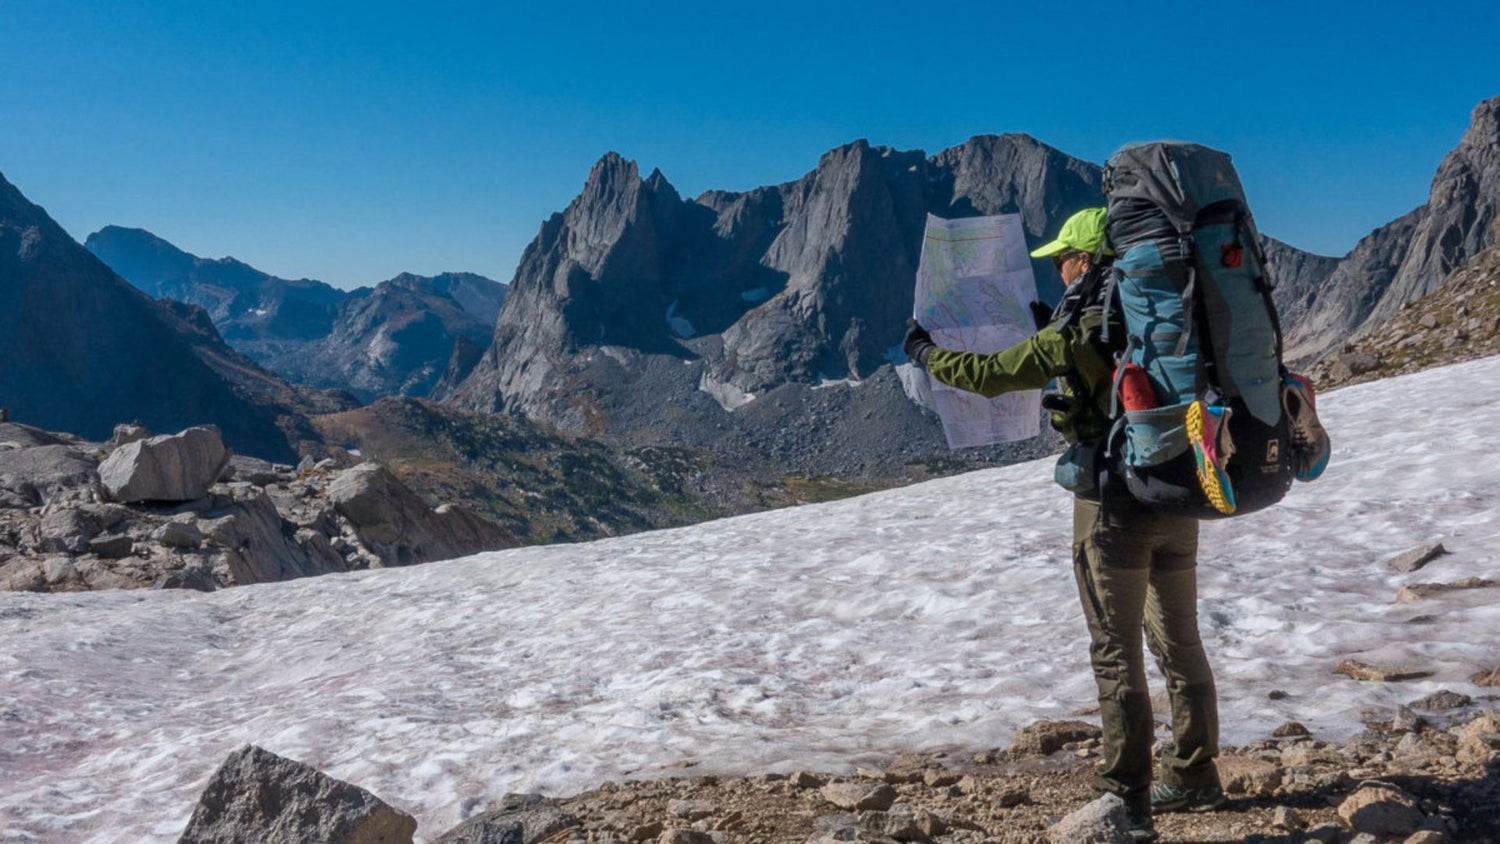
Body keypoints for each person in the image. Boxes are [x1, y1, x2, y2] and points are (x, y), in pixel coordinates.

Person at [903, 208, 1225, 843]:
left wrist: (924, 351)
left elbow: (991, 376)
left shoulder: (1080, 329)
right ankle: (1195, 774)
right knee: (1181, 643)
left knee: (1116, 650)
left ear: (1087, 258)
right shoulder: (1163, 315)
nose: (1058, 267)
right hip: (1179, 493)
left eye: (1064, 258)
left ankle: (1124, 798)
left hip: (1111, 504)